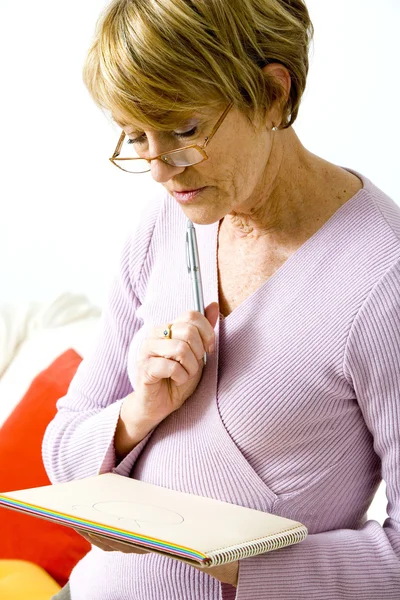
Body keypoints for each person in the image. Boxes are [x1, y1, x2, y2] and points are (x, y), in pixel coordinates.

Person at [44, 0, 400, 598]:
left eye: (184, 131)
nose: (160, 169)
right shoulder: (163, 222)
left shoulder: (383, 278)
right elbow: (64, 450)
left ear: (271, 94)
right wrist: (141, 412)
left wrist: (229, 561)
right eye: (135, 136)